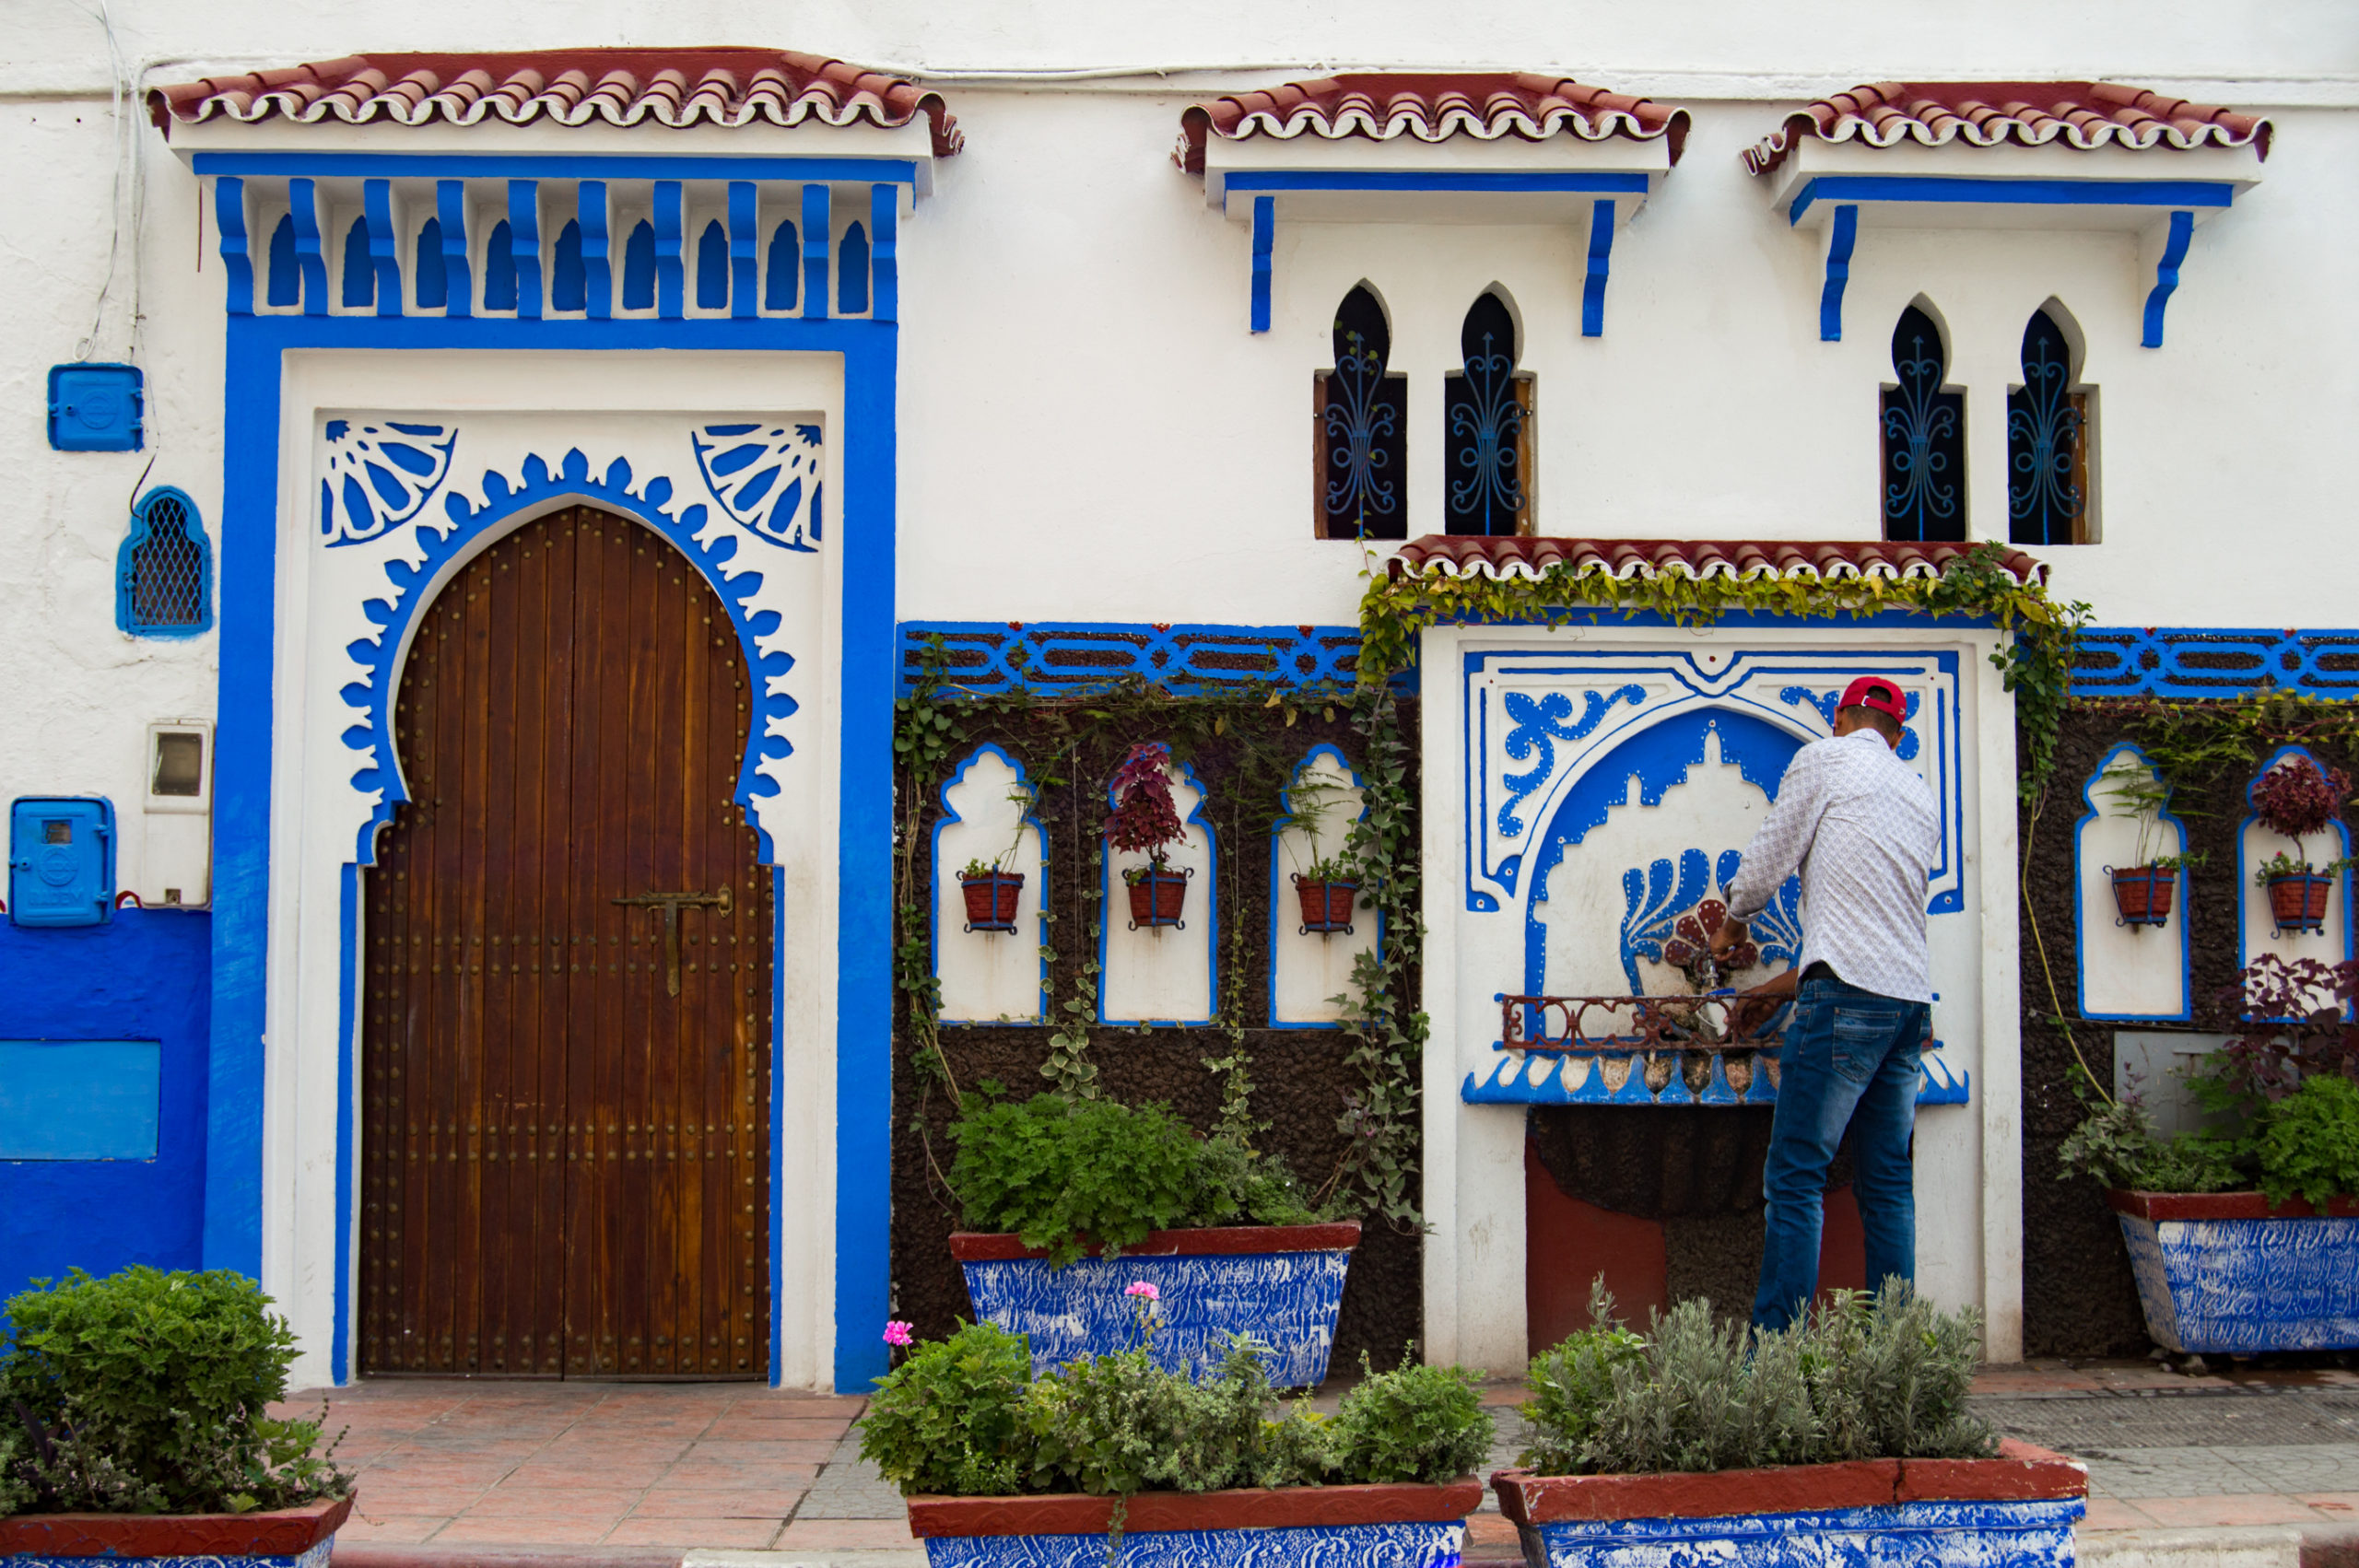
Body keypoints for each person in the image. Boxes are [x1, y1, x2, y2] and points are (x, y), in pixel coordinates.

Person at [1710, 675, 1940, 1334]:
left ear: (1841, 719)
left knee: (1794, 1178)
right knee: (1888, 1182)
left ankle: (1773, 1358)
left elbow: (1764, 866)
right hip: (1907, 1005)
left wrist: (1734, 924)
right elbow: (1873, 921)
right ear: (1897, 735)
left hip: (1845, 999)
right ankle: (1895, 1361)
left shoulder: (1824, 759)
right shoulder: (1918, 794)